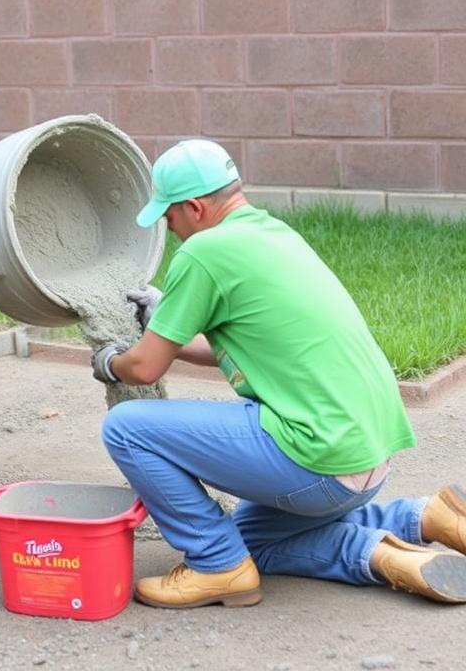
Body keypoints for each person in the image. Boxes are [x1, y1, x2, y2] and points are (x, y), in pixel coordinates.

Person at [91, 139, 466, 609]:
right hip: (367, 458)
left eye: (169, 216)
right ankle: (420, 525)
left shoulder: (205, 251)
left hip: (318, 462)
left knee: (127, 429)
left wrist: (109, 362)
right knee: (253, 542)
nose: (170, 227)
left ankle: (215, 566)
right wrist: (167, 327)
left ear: (194, 207)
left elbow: (143, 369)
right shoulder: (275, 234)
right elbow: (251, 347)